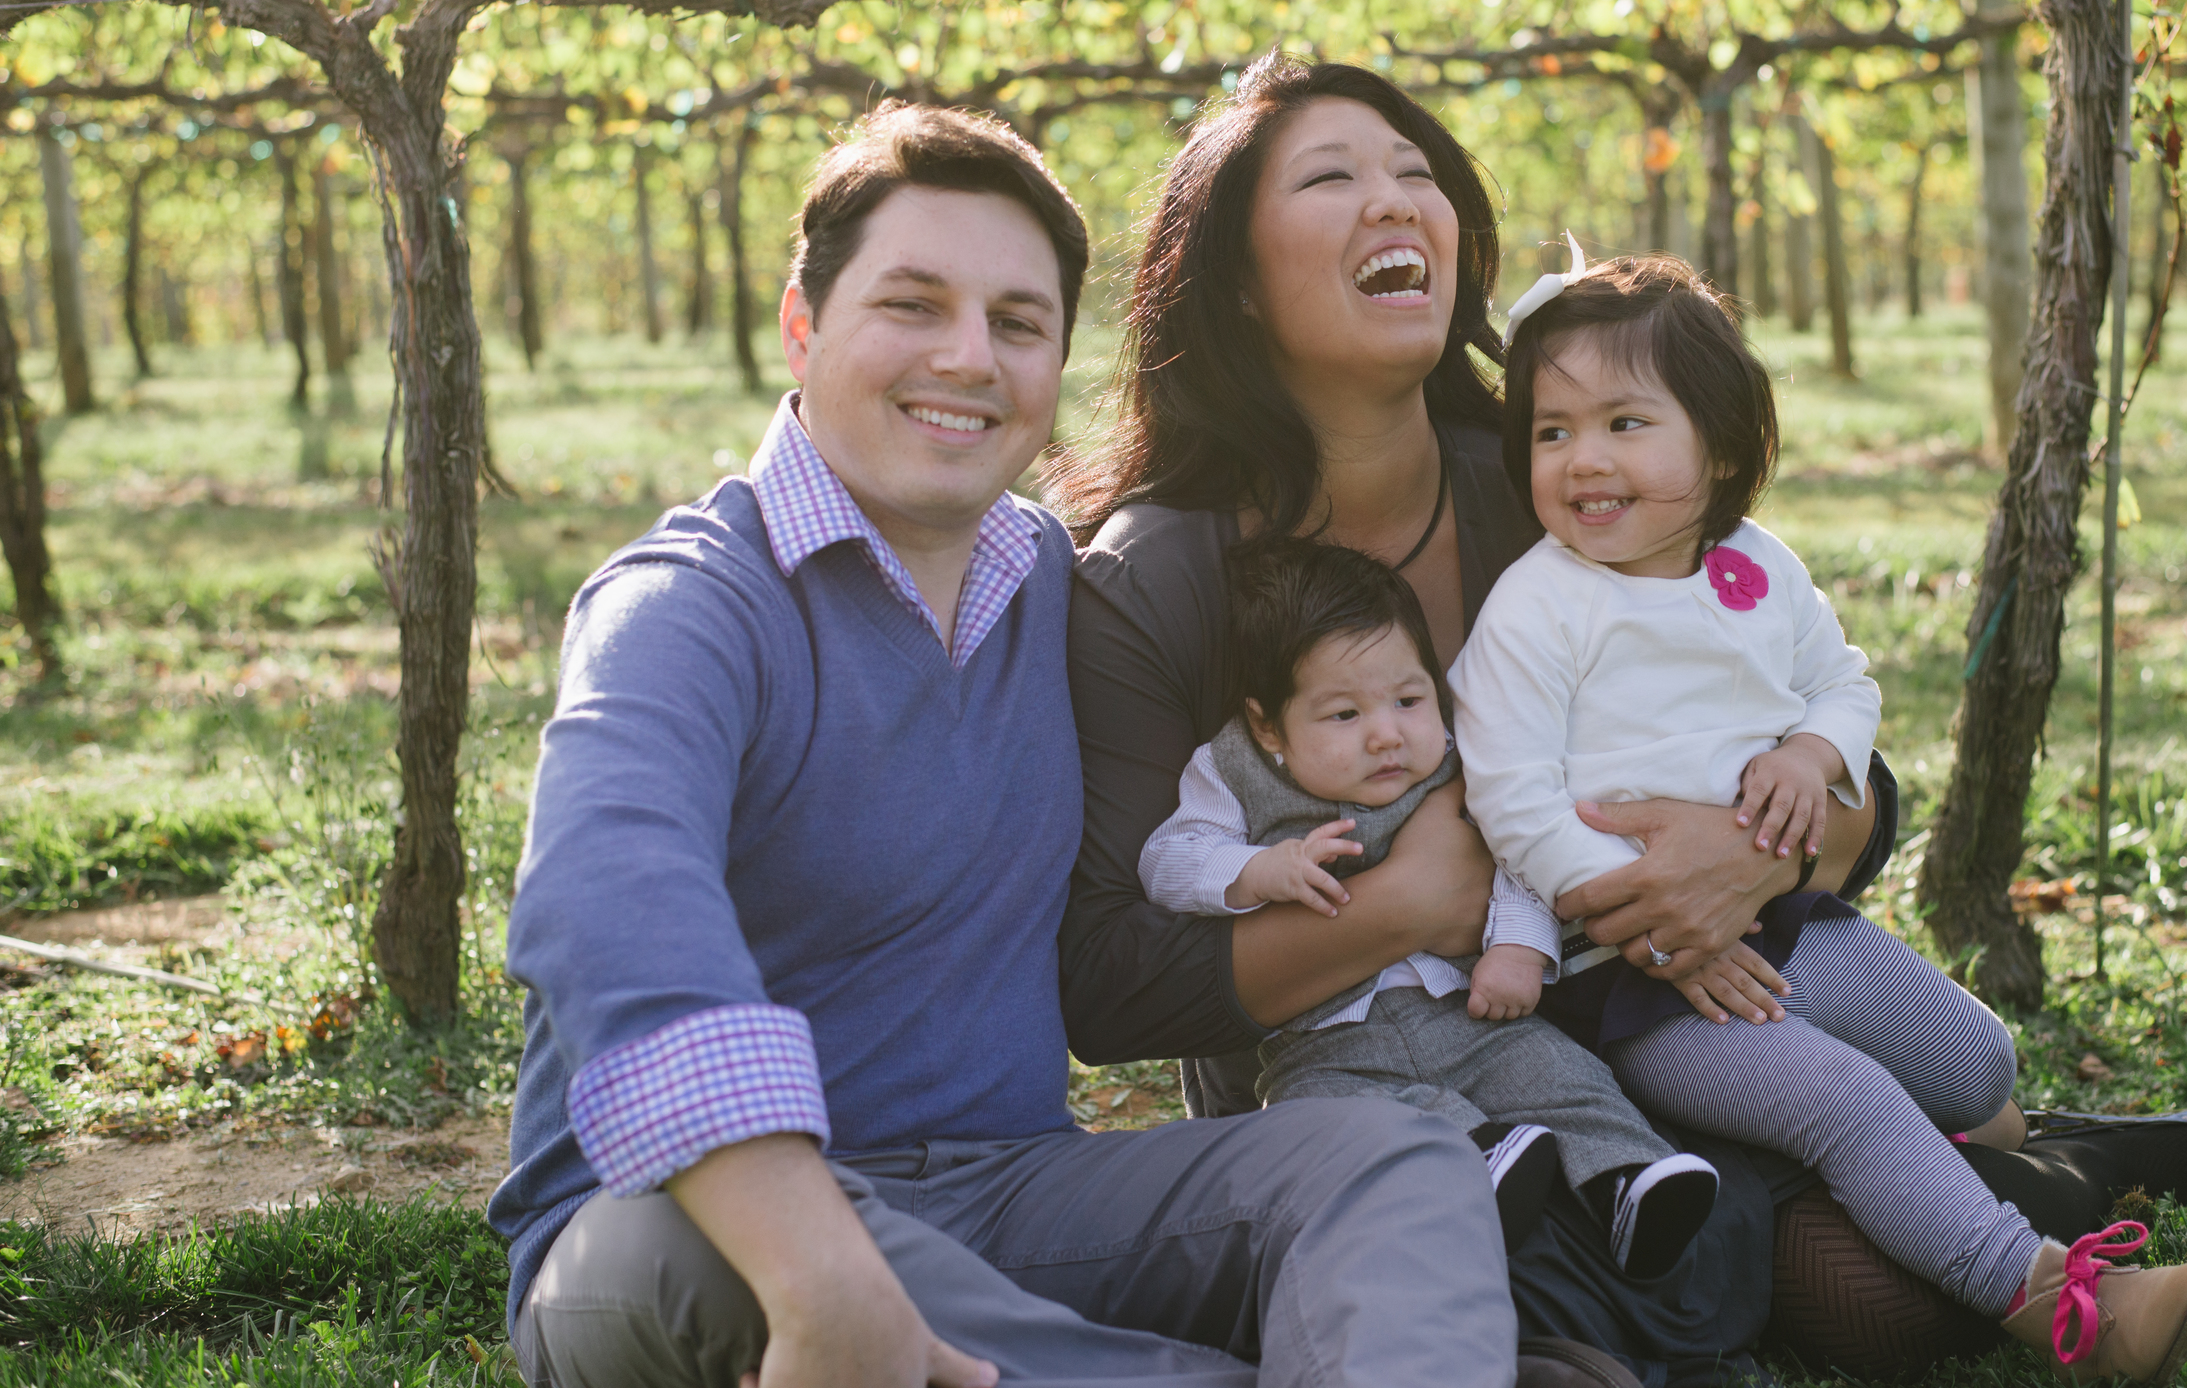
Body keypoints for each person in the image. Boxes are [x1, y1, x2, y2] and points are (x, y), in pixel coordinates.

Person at [489, 100, 1547, 1388]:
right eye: (912, 306)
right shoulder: (689, 604)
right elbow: (605, 904)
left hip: (1016, 1193)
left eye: (1018, 323)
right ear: (801, 325)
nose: (969, 358)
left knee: (1389, 1156)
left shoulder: (1054, 580)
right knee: (776, 1263)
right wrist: (821, 1271)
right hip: (682, 1227)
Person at [1053, 54, 1896, 1386]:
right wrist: (1407, 901)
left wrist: (1757, 850)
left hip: (1626, 1033)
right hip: (1345, 1098)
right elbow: (1106, 980)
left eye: (1416, 173)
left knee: (1882, 1289)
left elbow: (1838, 760)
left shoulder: (1551, 477)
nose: (1397, 201)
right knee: (1558, 1268)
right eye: (1333, 179)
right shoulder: (1156, 576)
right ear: (1233, 280)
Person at [1453, 250, 2187, 1384]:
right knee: (1847, 1103)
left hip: (1789, 921)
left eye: (1624, 422)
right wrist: (1649, 923)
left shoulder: (1757, 568)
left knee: (1976, 1064)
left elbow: (1846, 685)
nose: (1584, 461)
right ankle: (2071, 1306)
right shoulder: (1537, 607)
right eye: (1552, 432)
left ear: (1720, 446)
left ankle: (1964, 1154)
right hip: (1648, 988)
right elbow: (1511, 797)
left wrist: (1816, 751)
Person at [1140, 532, 1720, 1273]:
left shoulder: (1456, 755)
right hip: (1322, 1041)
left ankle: (1629, 1179)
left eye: (1408, 699)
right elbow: (1169, 859)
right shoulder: (1231, 768)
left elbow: (1519, 849)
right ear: (1266, 723)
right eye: (1343, 715)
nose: (1387, 734)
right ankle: (1477, 1157)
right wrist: (1258, 868)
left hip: (1468, 1013)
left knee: (1559, 1076)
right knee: (1316, 1115)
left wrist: (1519, 946)